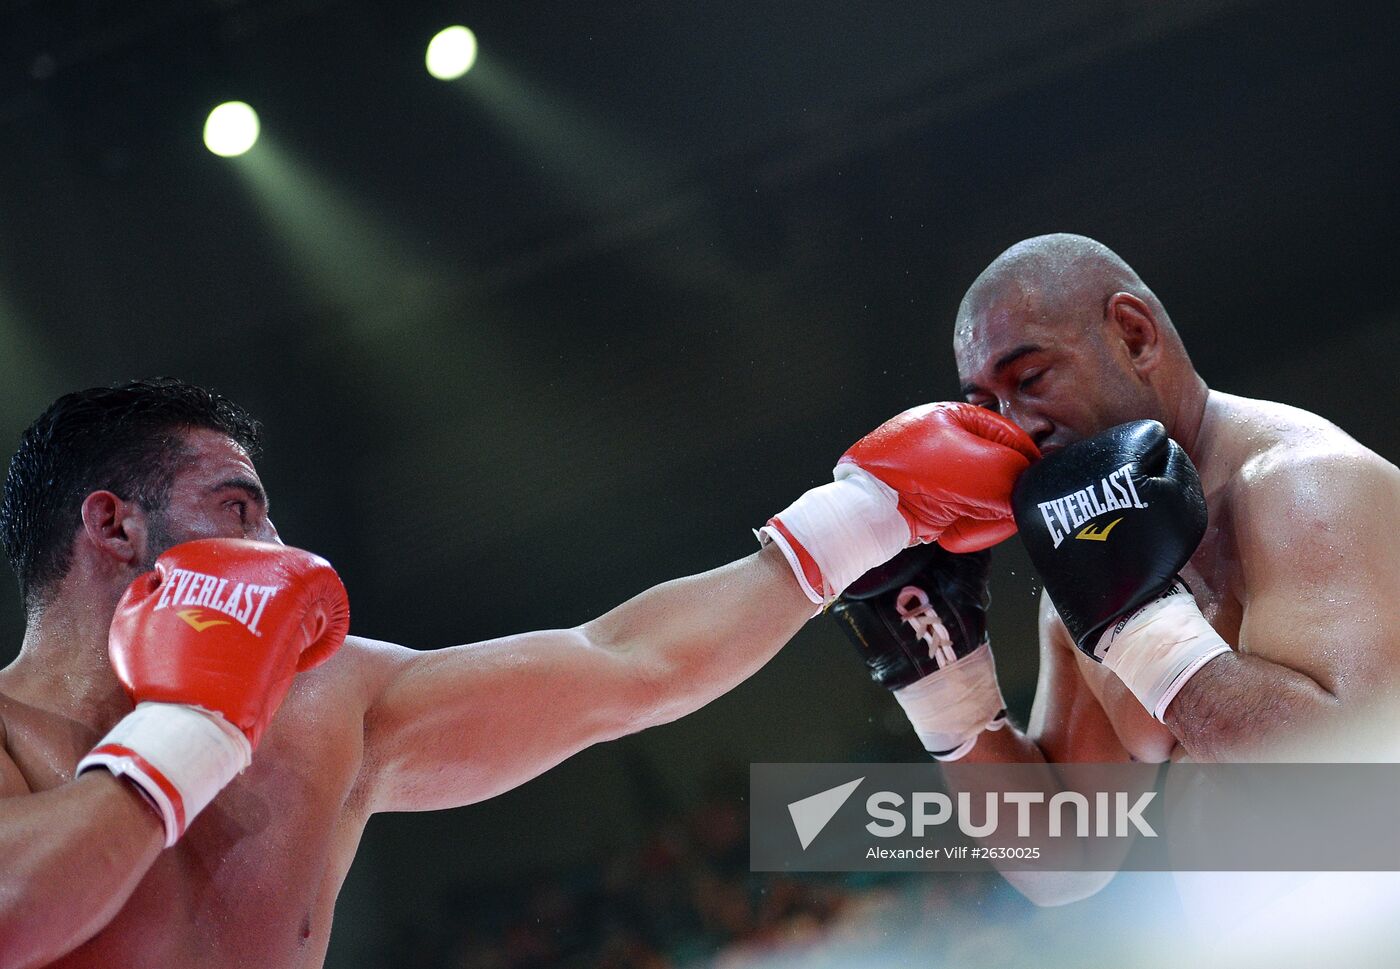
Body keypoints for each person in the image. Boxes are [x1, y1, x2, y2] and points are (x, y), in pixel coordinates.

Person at [0, 378, 1036, 968]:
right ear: (112, 524)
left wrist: (865, 517)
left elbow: (623, 666)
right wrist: (195, 721)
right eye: (237, 507)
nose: (278, 544)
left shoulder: (320, 707)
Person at [839, 233, 1400, 913]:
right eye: (986, 408)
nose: (1014, 429)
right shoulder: (1084, 566)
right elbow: (1067, 859)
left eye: (1031, 379)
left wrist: (1139, 622)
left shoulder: (1306, 486)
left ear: (1134, 336)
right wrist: (941, 678)